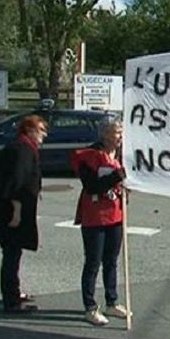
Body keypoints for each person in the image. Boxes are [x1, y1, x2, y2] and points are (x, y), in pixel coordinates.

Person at [0, 115, 48, 313]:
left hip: (4, 208)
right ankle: (11, 300)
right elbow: (16, 183)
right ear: (29, 130)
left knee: (13, 253)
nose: (44, 135)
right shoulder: (23, 150)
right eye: (41, 130)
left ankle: (13, 292)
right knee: (12, 253)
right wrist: (17, 213)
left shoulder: (20, 147)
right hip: (9, 211)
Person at [71, 115, 129, 326]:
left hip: (116, 213)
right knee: (93, 262)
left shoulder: (123, 154)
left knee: (111, 261)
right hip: (95, 215)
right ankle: (90, 307)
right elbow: (92, 186)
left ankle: (111, 302)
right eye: (117, 132)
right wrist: (117, 176)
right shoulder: (88, 156)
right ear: (105, 133)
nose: (120, 136)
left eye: (121, 131)